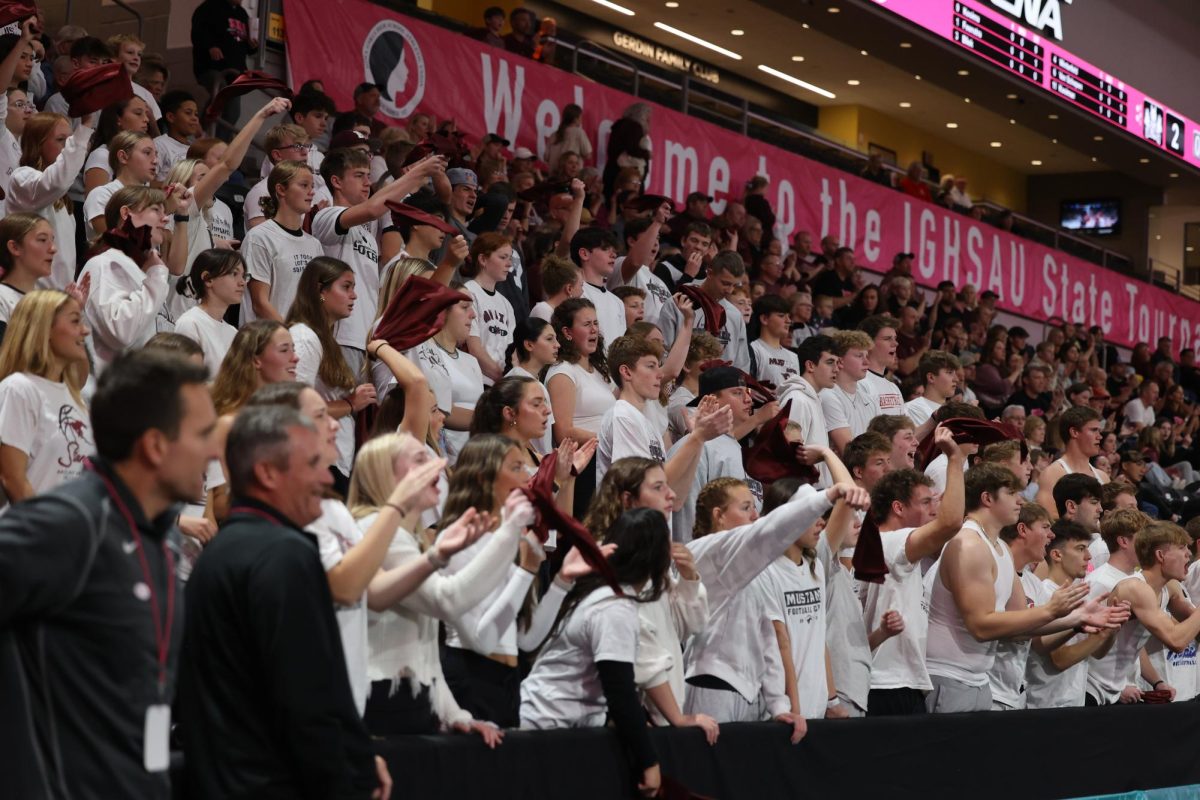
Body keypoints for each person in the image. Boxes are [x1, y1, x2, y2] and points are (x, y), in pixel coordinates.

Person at [0, 350, 216, 798]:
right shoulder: (71, 523)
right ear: (156, 445)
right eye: (204, 434)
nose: (215, 449)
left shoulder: (162, 538)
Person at [177, 405, 390, 799]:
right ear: (267, 472)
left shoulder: (221, 553)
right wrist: (347, 771)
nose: (327, 477)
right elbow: (305, 698)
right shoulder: (283, 555)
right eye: (312, 464)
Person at [349, 433, 527, 743]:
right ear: (384, 473)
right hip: (382, 703)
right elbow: (447, 600)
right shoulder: (376, 530)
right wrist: (510, 531)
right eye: (420, 459)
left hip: (409, 701)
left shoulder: (410, 539)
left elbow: (425, 652)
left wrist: (455, 714)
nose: (436, 464)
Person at [683, 477, 869, 741]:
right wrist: (826, 496)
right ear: (719, 516)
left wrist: (779, 705)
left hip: (750, 693)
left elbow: (768, 638)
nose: (755, 515)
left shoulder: (757, 567)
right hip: (711, 686)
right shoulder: (703, 552)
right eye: (746, 507)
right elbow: (770, 528)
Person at [923, 465, 1121, 713]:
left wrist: (1077, 618)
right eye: (1011, 493)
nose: (1020, 501)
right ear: (987, 499)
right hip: (950, 676)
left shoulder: (1001, 550)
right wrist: (1052, 610)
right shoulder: (969, 544)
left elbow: (1019, 631)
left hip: (979, 680)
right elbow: (980, 626)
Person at [520, 508, 665, 797]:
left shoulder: (603, 594)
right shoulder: (614, 608)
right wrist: (649, 761)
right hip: (543, 729)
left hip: (555, 727)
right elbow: (619, 688)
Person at [313, 149, 444, 378]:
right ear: (336, 181)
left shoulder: (368, 237)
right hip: (339, 335)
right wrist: (418, 172)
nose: (368, 182)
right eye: (359, 175)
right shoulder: (326, 216)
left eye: (368, 175)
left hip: (367, 338)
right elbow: (374, 207)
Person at [862, 428, 965, 716]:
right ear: (898, 507)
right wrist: (955, 459)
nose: (934, 509)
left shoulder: (886, 546)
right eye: (925, 502)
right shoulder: (890, 543)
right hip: (887, 686)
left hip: (897, 683)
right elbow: (951, 522)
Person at [596, 334, 730, 493]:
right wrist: (697, 437)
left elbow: (676, 497)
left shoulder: (649, 425)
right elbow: (641, 488)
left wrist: (697, 441)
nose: (660, 374)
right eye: (651, 366)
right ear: (626, 372)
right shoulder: (622, 416)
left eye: (659, 366)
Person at [0, 289, 91, 504]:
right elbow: (13, 479)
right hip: (32, 533)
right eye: (75, 321)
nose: (85, 331)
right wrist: (48, 530)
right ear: (45, 328)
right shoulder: (18, 390)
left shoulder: (75, 400)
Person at [78, 186, 179, 373]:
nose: (165, 218)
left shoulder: (136, 269)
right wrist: (156, 277)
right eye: (156, 210)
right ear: (126, 213)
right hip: (103, 394)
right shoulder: (105, 264)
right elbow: (120, 331)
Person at [1102, 522, 1200, 706]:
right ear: (1160, 555)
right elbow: (1176, 641)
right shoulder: (1134, 587)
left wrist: (1157, 682)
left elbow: (1135, 646)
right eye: (1181, 547)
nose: (1189, 553)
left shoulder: (1168, 587)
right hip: (1096, 686)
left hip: (1122, 685)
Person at [667, 365, 759, 541]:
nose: (749, 400)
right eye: (738, 392)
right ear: (712, 399)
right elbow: (687, 509)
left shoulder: (735, 447)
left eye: (747, 392)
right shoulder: (698, 445)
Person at [9, 109, 96, 289]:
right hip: (32, 300)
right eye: (60, 140)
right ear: (37, 143)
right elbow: (56, 181)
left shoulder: (62, 198)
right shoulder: (22, 178)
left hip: (57, 301)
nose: (67, 147)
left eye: (70, 140)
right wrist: (86, 124)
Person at [547, 298, 615, 515]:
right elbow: (563, 432)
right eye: (586, 324)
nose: (594, 329)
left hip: (605, 460)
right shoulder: (562, 372)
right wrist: (609, 438)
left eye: (595, 323)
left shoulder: (598, 371)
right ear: (567, 332)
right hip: (583, 467)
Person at [241, 161, 324, 325]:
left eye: (312, 186)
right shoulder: (259, 237)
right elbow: (260, 303)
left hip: (304, 341)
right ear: (281, 190)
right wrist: (290, 337)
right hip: (268, 340)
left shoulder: (315, 245)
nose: (311, 192)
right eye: (304, 185)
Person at [660, 250, 751, 371]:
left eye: (734, 285)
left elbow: (741, 366)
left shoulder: (734, 315)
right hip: (681, 385)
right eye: (725, 283)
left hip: (720, 387)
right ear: (709, 273)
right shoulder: (679, 301)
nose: (729, 290)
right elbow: (663, 350)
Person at [172, 249, 244, 377]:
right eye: (234, 274)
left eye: (244, 276)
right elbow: (188, 384)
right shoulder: (190, 324)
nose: (242, 282)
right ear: (208, 279)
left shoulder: (233, 332)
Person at [779, 334, 838, 486]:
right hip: (803, 495)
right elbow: (790, 456)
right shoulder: (798, 399)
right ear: (810, 365)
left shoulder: (812, 398)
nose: (836, 369)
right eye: (830, 362)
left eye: (837, 363)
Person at [190, 0, 257, 129]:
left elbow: (246, 46)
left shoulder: (242, 14)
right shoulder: (208, 7)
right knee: (223, 95)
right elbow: (198, 32)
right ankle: (208, 136)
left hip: (235, 71)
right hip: (212, 67)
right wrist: (211, 46)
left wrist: (253, 46)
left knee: (232, 110)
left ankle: (213, 138)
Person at [0, 213, 64, 342]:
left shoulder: (45, 301)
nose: (53, 249)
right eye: (42, 240)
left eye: (52, 240)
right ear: (14, 247)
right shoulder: (2, 297)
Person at [463, 232, 517, 385]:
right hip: (476, 381)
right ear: (483, 259)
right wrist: (503, 378)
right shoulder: (469, 292)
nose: (509, 264)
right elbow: (474, 349)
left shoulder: (506, 304)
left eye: (510, 258)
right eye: (502, 257)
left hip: (498, 385)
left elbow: (510, 351)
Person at [1036, 406, 1108, 515]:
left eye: (1099, 431)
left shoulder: (1103, 477)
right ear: (1074, 432)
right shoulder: (1052, 474)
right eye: (1094, 430)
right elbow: (1050, 521)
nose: (1100, 437)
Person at [821, 330, 875, 454]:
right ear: (840, 361)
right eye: (859, 356)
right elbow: (849, 452)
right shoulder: (828, 395)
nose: (867, 362)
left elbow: (881, 443)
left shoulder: (869, 399)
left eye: (866, 356)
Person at [857, 314, 904, 417]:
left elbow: (908, 431)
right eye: (887, 339)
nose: (895, 343)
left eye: (895, 338)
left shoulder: (894, 388)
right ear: (868, 343)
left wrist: (934, 418)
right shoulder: (860, 383)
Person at [750, 293, 800, 386]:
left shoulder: (794, 357)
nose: (788, 321)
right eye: (781, 316)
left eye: (788, 316)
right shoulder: (754, 349)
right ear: (764, 319)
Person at [153, 90, 200, 182]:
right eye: (188, 113)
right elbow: (148, 183)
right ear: (171, 117)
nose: (194, 118)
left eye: (196, 114)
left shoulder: (195, 147)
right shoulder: (159, 144)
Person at [904, 351, 960, 426]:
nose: (956, 379)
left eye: (955, 373)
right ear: (931, 377)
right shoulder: (913, 409)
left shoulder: (954, 410)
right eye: (949, 373)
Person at [529, 255, 580, 322]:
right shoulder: (543, 311)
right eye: (581, 285)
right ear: (569, 289)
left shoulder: (564, 312)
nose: (582, 291)